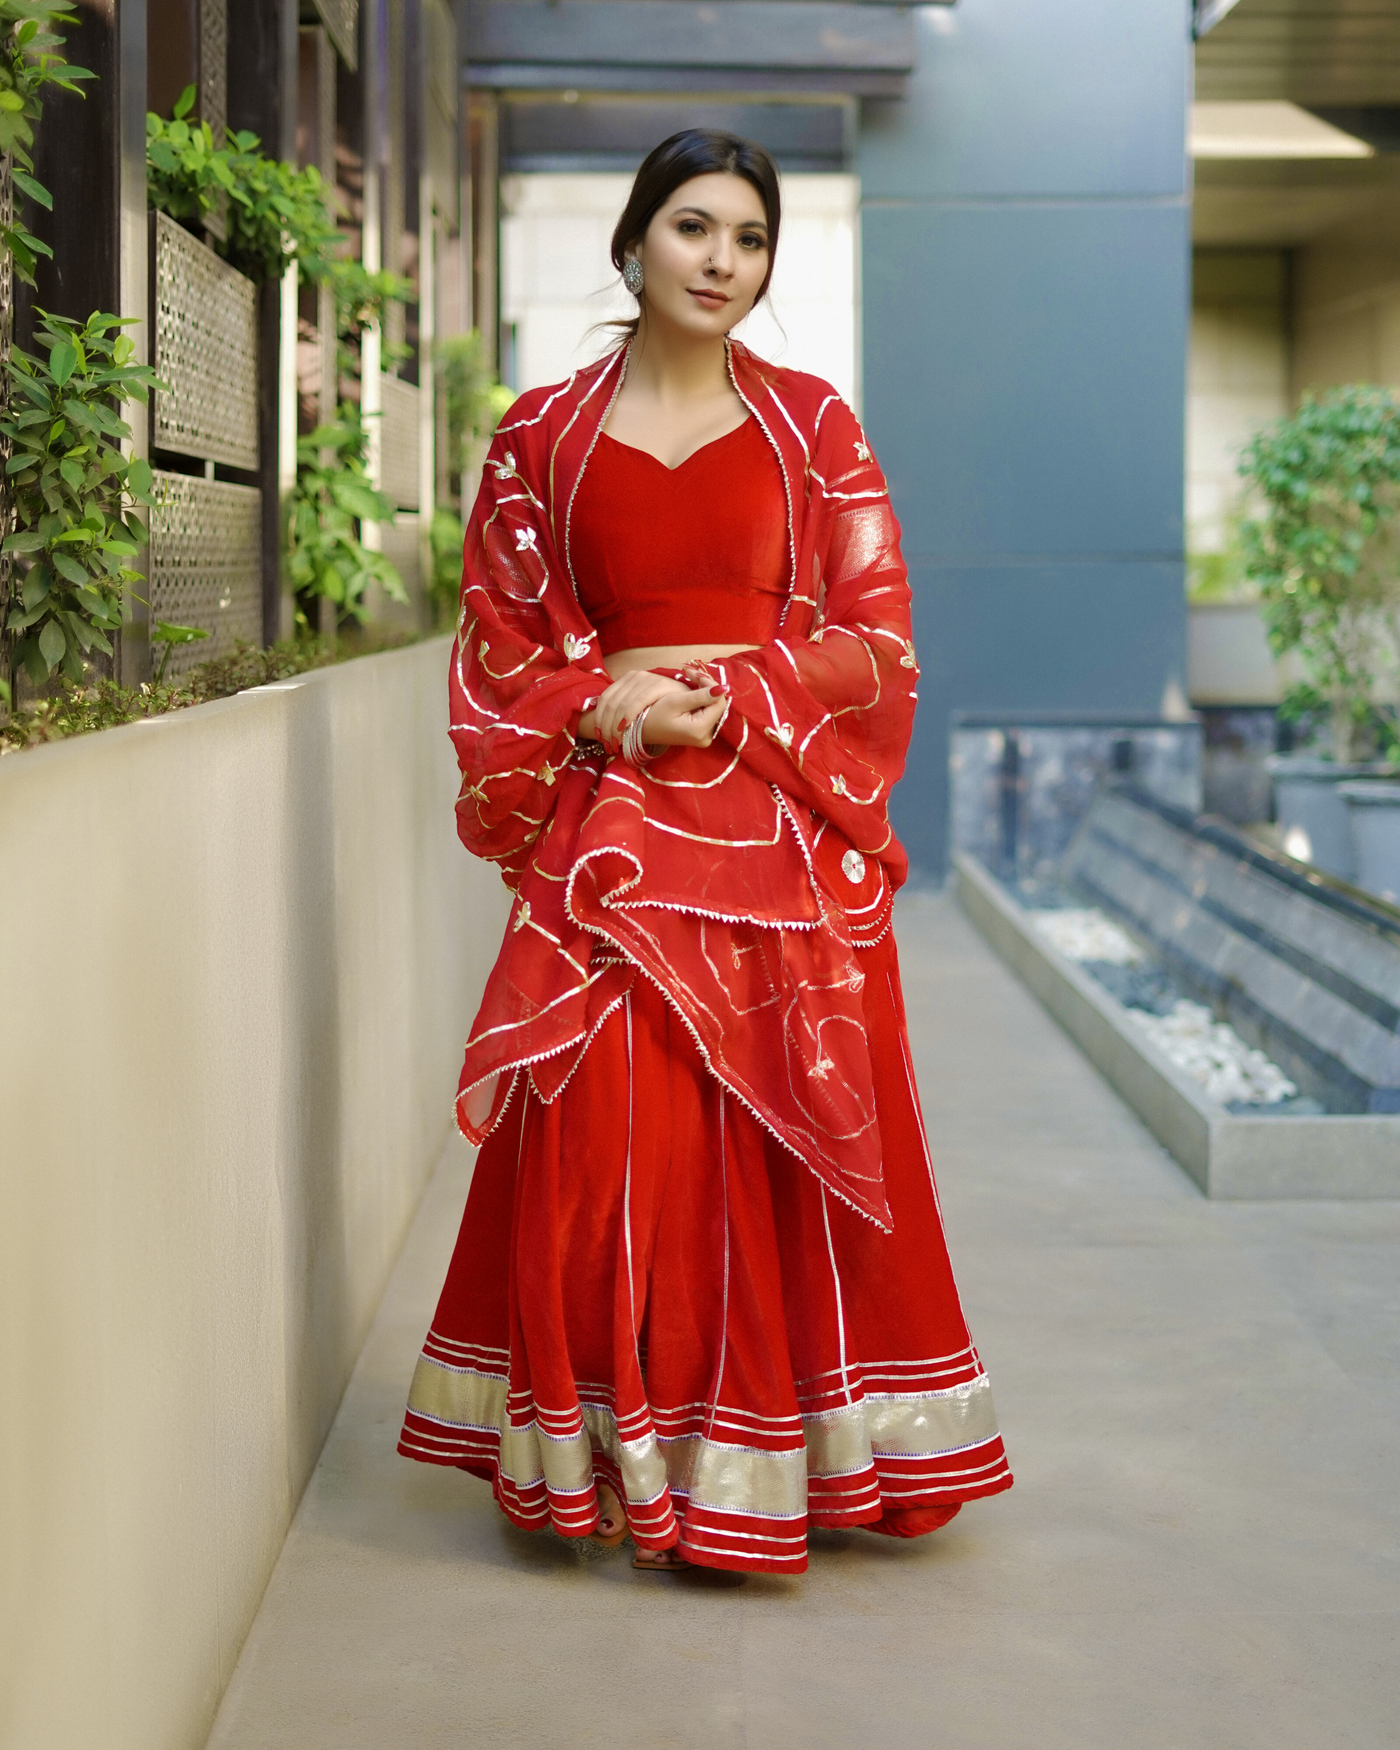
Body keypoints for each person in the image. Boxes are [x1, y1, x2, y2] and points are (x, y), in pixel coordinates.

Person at [398, 129, 1012, 1575]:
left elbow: (875, 647)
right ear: (632, 242)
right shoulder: (539, 436)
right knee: (611, 1136)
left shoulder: (814, 427)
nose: (722, 259)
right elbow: (495, 643)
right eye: (693, 227)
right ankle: (612, 1454)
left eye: (748, 237)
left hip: (774, 825)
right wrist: (595, 702)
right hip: (614, 826)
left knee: (767, 1137)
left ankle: (777, 1457)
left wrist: (730, 695)